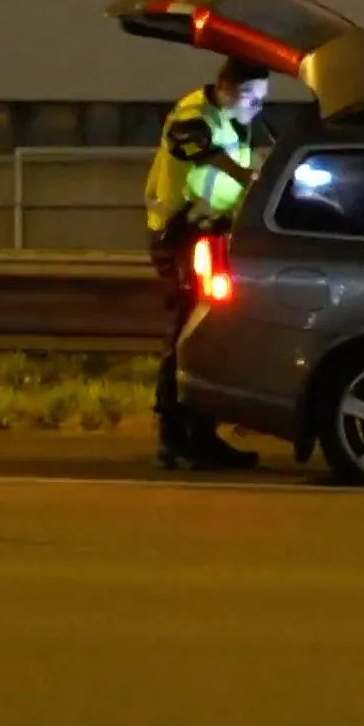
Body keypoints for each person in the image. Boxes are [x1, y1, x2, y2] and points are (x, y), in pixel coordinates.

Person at [145, 58, 270, 470]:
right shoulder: (192, 114)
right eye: (251, 97)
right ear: (226, 87)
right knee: (189, 328)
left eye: (262, 99)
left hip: (211, 234)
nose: (257, 106)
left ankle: (200, 433)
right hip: (181, 234)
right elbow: (195, 147)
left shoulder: (238, 123)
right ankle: (176, 434)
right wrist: (248, 175)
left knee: (211, 328)